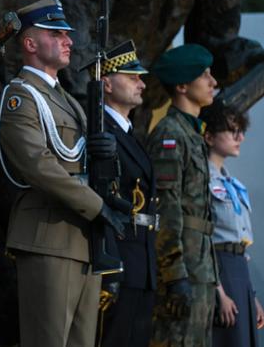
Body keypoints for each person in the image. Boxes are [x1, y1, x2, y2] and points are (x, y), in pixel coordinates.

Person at [0, 0, 126, 347]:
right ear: (30, 43)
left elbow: (78, 160)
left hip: (81, 237)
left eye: (67, 33)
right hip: (48, 236)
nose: (68, 40)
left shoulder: (66, 99)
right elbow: (39, 166)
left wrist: (105, 154)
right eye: (57, 33)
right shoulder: (20, 97)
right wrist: (97, 206)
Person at [84, 40, 157, 347]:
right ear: (106, 84)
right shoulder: (99, 133)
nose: (141, 83)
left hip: (141, 259)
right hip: (119, 257)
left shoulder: (126, 133)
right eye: (132, 77)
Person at [146, 43, 219, 347]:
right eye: (204, 75)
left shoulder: (191, 132)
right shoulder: (171, 135)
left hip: (199, 265)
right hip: (182, 266)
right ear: (181, 86)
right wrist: (175, 275)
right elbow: (166, 207)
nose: (213, 81)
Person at [200, 102, 264, 346]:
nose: (240, 138)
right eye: (231, 131)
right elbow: (202, 239)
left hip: (239, 272)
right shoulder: (201, 180)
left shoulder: (234, 184)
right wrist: (219, 292)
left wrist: (252, 295)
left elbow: (241, 246)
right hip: (219, 270)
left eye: (241, 131)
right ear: (209, 136)